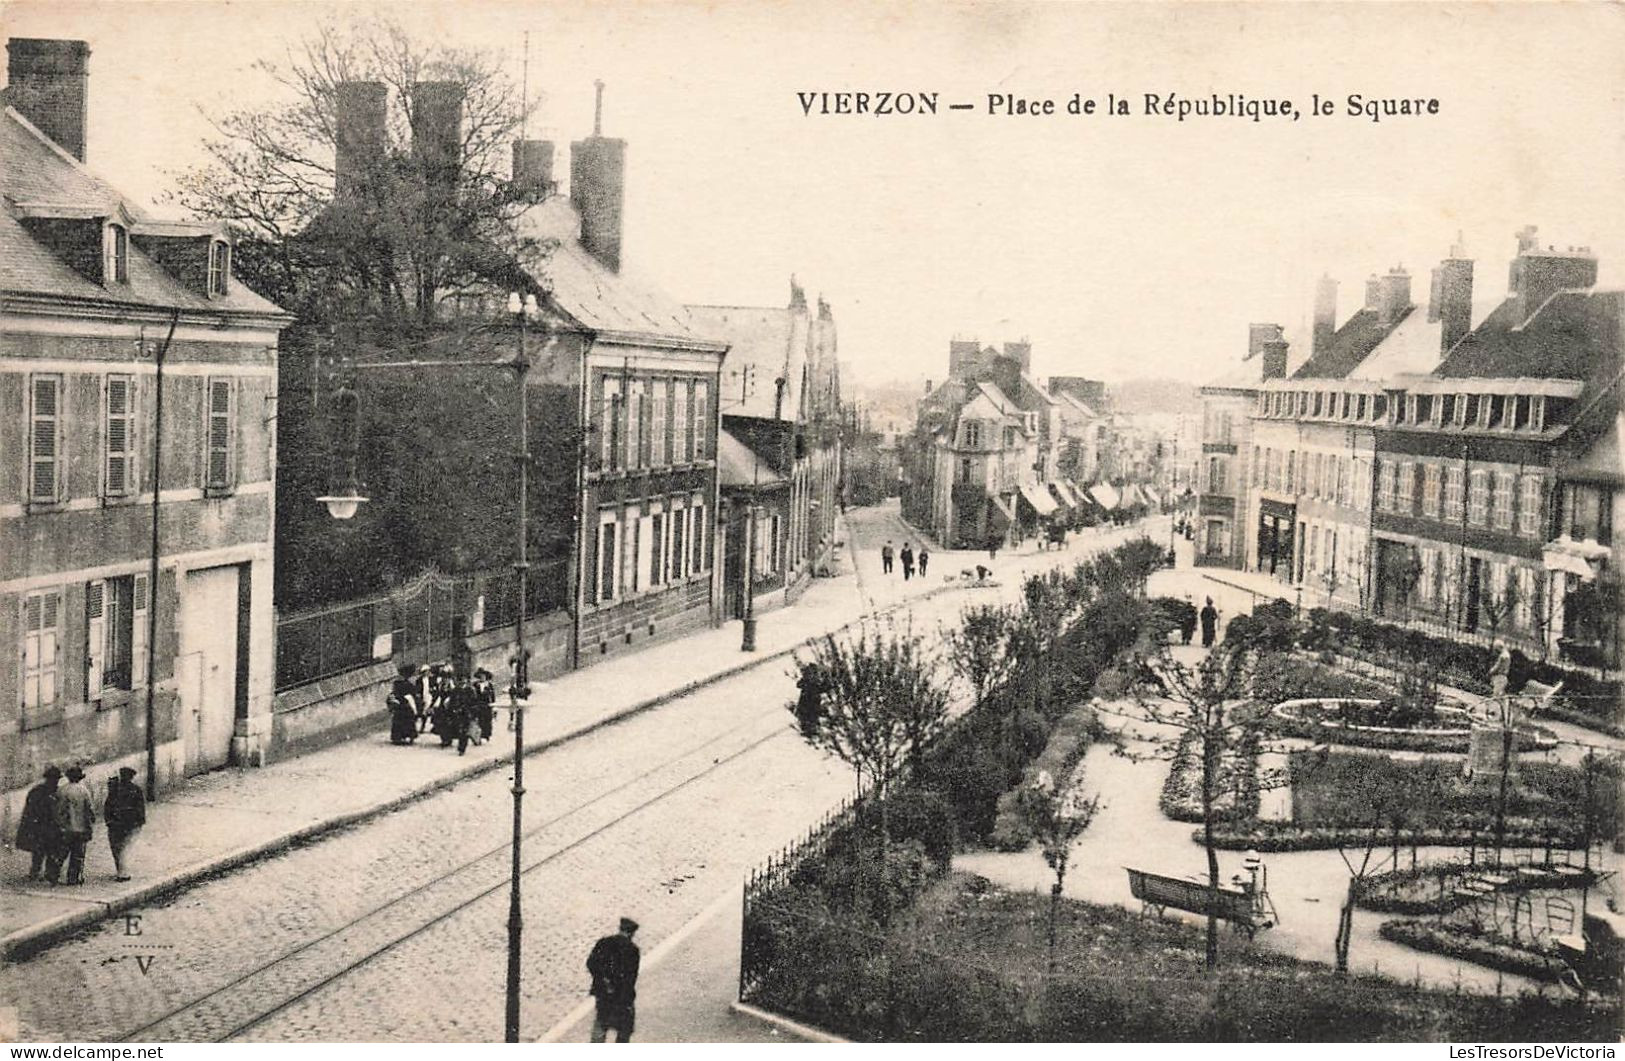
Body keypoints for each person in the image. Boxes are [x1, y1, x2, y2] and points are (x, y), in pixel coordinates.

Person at [587, 917, 642, 1043]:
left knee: (601, 1023)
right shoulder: (632, 950)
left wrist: (602, 980)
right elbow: (630, 977)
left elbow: (591, 963)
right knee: (625, 1029)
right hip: (621, 995)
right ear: (631, 933)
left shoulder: (604, 942)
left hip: (602, 993)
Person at [16, 765, 62, 882]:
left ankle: (36, 872)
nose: (56, 782)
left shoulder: (37, 790)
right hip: (46, 826)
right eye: (55, 779)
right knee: (48, 850)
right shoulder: (55, 792)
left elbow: (28, 809)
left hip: (39, 826)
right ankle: (45, 873)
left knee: (39, 851)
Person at [53, 765, 96, 886]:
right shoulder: (84, 790)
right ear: (79, 778)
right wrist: (91, 822)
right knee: (77, 855)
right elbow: (90, 809)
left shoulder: (61, 790)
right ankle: (73, 878)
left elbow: (57, 810)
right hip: (80, 828)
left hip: (65, 828)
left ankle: (54, 875)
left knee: (61, 853)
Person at [104, 767, 146, 882]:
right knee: (125, 848)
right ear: (132, 777)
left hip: (116, 824)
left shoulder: (114, 789)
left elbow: (107, 806)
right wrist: (140, 823)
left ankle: (121, 872)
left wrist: (108, 821)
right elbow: (140, 808)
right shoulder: (136, 790)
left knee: (116, 848)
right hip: (130, 824)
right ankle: (122, 872)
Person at [388, 663, 419, 745]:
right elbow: (413, 695)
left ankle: (398, 737)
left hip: (401, 704)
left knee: (400, 720)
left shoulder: (397, 683)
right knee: (407, 720)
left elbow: (394, 693)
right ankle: (408, 736)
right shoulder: (409, 684)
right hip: (405, 704)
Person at [794, 663, 826, 738]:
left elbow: (799, 684)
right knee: (810, 715)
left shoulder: (809, 681)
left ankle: (809, 729)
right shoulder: (812, 682)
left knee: (809, 715)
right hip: (810, 702)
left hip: (809, 702)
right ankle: (810, 729)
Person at [473, 668, 497, 742]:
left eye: (483, 676)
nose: (482, 677)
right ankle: (478, 736)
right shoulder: (475, 685)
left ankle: (486, 735)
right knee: (479, 720)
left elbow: (493, 696)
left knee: (487, 720)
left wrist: (493, 705)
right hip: (478, 705)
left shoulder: (489, 685)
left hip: (487, 705)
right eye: (480, 676)